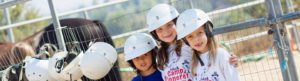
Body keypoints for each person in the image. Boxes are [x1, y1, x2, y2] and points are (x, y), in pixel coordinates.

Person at [146, 4, 239, 81]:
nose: (166, 32)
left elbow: (209, 53)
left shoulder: (189, 45)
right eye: (160, 29)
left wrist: (229, 59)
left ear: (177, 23)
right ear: (154, 33)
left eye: (169, 25)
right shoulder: (160, 56)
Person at [176, 9, 240, 81]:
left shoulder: (221, 55)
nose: (196, 39)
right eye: (190, 36)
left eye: (199, 33)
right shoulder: (194, 63)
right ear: (186, 41)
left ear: (207, 31)